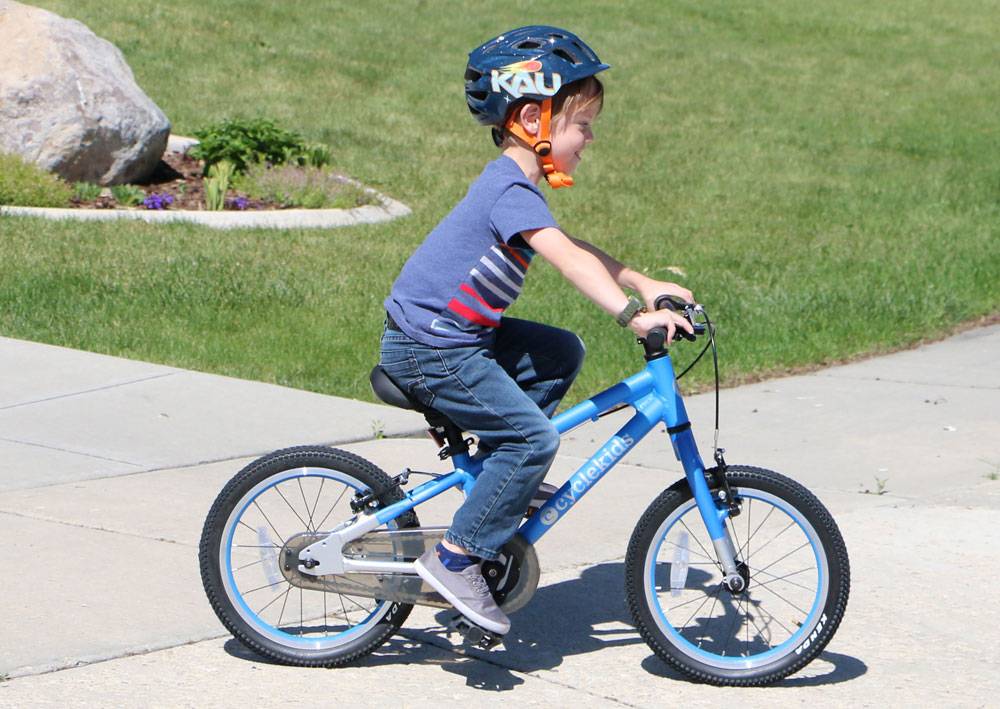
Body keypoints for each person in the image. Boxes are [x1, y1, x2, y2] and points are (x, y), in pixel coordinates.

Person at [380, 26, 694, 636]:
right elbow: (564, 257)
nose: (590, 137)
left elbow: (571, 244)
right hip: (431, 350)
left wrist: (640, 279)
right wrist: (633, 315)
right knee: (534, 441)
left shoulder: (517, 189)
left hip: (460, 339)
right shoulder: (506, 187)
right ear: (532, 118)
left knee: (557, 353)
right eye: (582, 124)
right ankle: (455, 557)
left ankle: (504, 475)